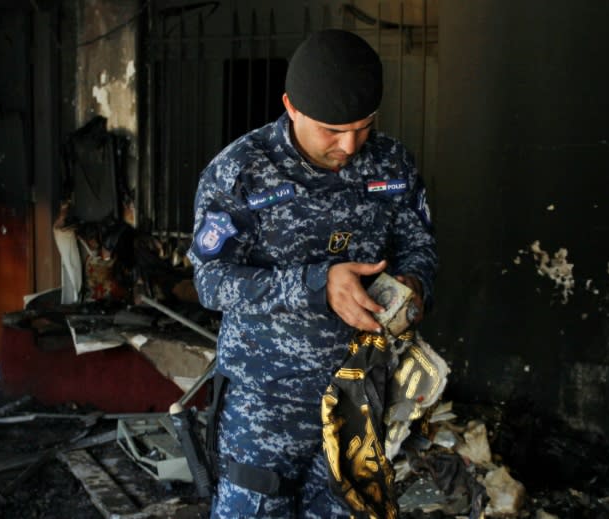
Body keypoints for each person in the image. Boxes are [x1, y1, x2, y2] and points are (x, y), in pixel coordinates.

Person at [187, 29, 438, 518]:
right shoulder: (241, 171)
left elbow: (419, 245)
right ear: (291, 107)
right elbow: (211, 282)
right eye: (331, 130)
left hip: (358, 398)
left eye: (364, 126)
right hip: (265, 404)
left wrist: (413, 284)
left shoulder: (392, 163)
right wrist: (315, 284)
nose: (349, 144)